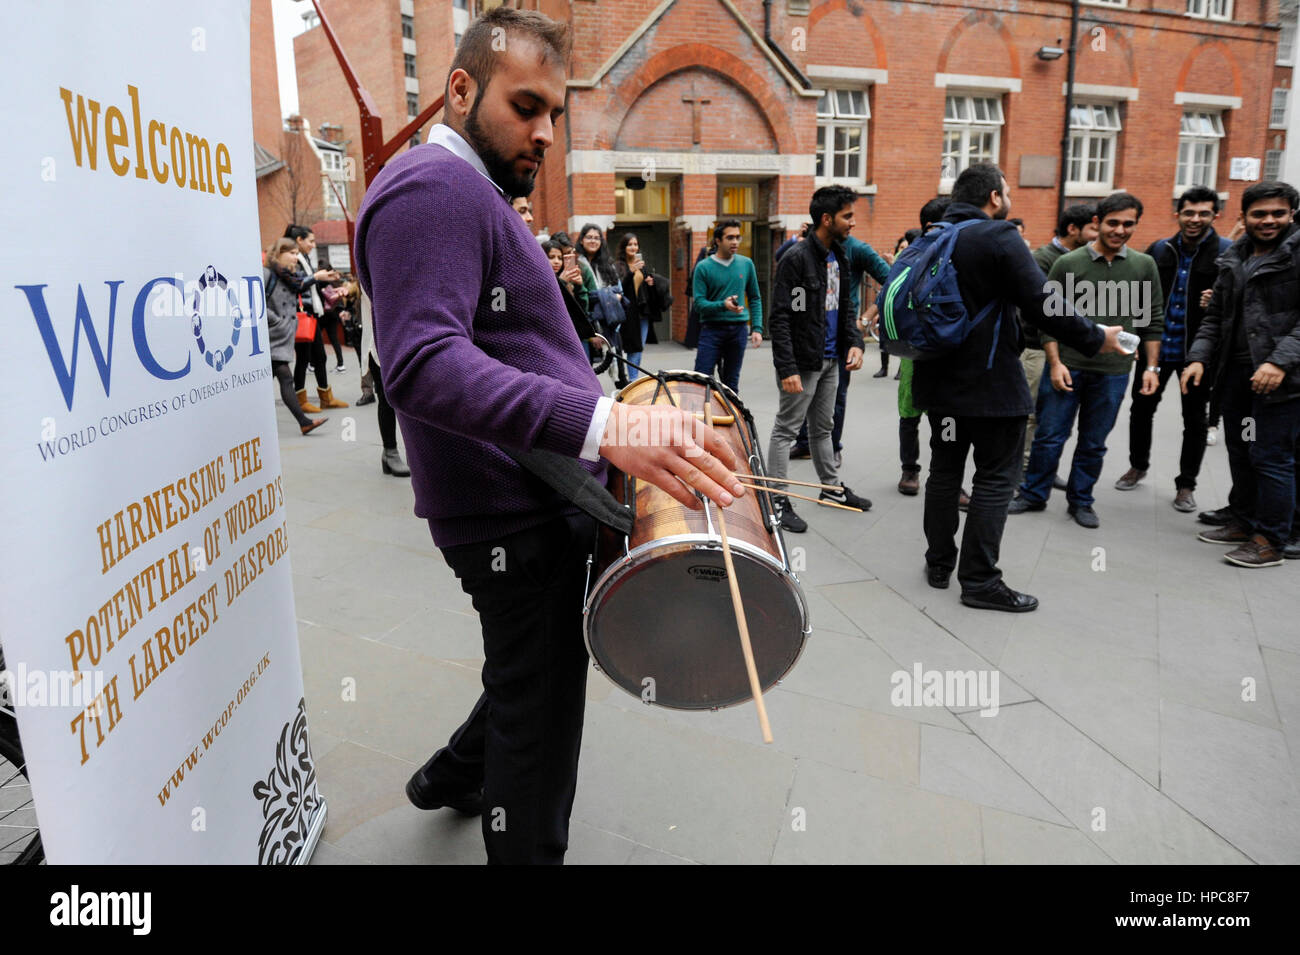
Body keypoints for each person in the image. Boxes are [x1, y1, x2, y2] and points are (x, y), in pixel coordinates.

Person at [354, 6, 744, 865]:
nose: (545, 134)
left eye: (554, 116)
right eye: (525, 106)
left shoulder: (465, 191)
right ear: (459, 89)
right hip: (511, 517)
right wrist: (606, 423)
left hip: (529, 499)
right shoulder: (433, 188)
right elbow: (419, 365)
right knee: (539, 726)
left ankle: (448, 777)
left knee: (529, 668)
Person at [910, 163, 1125, 611]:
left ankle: (938, 563)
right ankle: (980, 582)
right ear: (993, 198)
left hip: (938, 387)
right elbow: (1043, 300)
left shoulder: (932, 236)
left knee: (945, 474)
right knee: (993, 480)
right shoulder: (997, 236)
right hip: (991, 390)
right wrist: (1094, 336)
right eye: (1005, 191)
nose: (1008, 199)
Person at [1012, 193, 1163, 528]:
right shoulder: (1069, 263)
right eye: (1113, 222)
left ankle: (1081, 500)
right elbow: (1047, 318)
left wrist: (1151, 368)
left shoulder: (1143, 265)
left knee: (1094, 443)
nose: (1120, 230)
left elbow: (1152, 318)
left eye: (1128, 224)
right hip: (1068, 367)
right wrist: (1055, 363)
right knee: (1050, 435)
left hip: (1114, 372)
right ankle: (1033, 494)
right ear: (1098, 223)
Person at [1182, 180, 1300, 566]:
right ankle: (1243, 518)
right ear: (1244, 217)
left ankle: (1270, 540)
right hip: (1236, 376)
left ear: (1291, 213)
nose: (1269, 221)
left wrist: (1278, 361)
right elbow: (1215, 314)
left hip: (1280, 381)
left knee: (1271, 456)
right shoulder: (1235, 257)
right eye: (1259, 214)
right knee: (1242, 448)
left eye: (1277, 213)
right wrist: (1198, 357)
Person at [1111, 186, 1231, 512]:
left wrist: (1217, 300)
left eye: (1203, 213)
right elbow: (1139, 297)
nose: (1195, 219)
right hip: (1156, 349)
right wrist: (1134, 338)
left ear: (1214, 215)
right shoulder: (1159, 250)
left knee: (1194, 419)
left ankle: (1186, 484)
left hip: (1198, 356)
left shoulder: (1226, 253)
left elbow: (1239, 304)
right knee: (1141, 408)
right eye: (1189, 212)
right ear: (1177, 214)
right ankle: (1138, 465)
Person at [766, 185, 871, 533]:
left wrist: (855, 342)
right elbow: (781, 316)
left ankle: (830, 488)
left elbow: (845, 307)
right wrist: (788, 367)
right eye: (847, 216)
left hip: (831, 361)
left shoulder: (839, 256)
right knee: (786, 430)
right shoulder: (796, 259)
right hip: (804, 362)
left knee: (823, 428)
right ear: (827, 219)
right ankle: (777, 500)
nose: (852, 222)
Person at [1027, 203, 1098, 483]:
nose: (1098, 234)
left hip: (1068, 350)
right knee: (1033, 416)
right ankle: (1024, 471)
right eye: (1093, 228)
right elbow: (1045, 308)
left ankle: (1043, 470)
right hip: (1037, 348)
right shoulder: (1044, 258)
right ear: (1073, 229)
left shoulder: (1086, 259)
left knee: (1055, 419)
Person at [264, 239, 327, 434]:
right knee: (285, 377)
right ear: (279, 253)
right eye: (291, 253)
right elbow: (256, 303)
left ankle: (303, 422)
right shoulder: (267, 274)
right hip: (270, 338)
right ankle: (304, 421)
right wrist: (276, 321)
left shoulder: (289, 276)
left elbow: (302, 285)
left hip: (281, 337)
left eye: (296, 253)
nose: (295, 257)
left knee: (275, 380)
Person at [692, 219, 763, 394]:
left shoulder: (746, 264)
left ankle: (731, 420)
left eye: (738, 237)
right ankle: (704, 420)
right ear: (718, 240)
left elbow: (755, 298)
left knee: (731, 384)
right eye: (730, 237)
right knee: (701, 381)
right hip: (711, 330)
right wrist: (722, 305)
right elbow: (699, 304)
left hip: (738, 330)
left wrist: (757, 328)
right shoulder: (703, 267)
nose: (735, 242)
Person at [283, 225, 348, 411]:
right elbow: (296, 285)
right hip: (302, 315)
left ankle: (325, 398)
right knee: (303, 358)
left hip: (311, 314)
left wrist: (324, 280)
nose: (313, 245)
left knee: (319, 357)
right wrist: (316, 277)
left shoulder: (302, 258)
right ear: (299, 240)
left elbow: (309, 285)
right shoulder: (293, 258)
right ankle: (301, 400)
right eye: (310, 241)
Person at [614, 232, 657, 379]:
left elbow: (642, 289)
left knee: (639, 347)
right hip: (627, 312)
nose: (633, 247)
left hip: (642, 312)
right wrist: (630, 272)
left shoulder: (641, 265)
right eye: (630, 244)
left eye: (635, 244)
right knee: (633, 347)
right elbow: (619, 288)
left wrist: (649, 282)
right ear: (624, 247)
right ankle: (632, 380)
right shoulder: (619, 265)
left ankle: (633, 378)